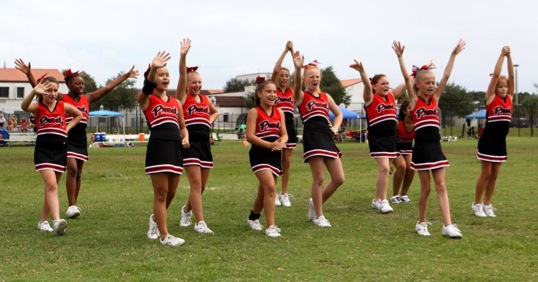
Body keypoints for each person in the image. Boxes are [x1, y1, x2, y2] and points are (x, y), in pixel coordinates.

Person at [15, 58, 139, 219]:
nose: (81, 86)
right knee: (72, 169)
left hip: (81, 138)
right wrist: (29, 74)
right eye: (78, 84)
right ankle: (71, 206)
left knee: (78, 172)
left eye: (82, 84)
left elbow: (108, 87)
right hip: (66, 137)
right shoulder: (61, 97)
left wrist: (126, 75)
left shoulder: (87, 98)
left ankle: (72, 204)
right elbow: (41, 89)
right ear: (69, 85)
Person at [393, 39, 465, 238]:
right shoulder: (414, 101)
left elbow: (447, 75)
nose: (432, 85)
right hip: (422, 148)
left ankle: (447, 225)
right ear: (419, 85)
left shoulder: (436, 99)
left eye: (433, 82)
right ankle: (421, 222)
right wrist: (400, 57)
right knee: (425, 188)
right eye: (428, 82)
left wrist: (453, 54)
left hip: (436, 146)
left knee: (441, 185)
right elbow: (407, 80)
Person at [138, 51, 190, 247]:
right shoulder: (146, 99)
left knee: (171, 193)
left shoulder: (176, 102)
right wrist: (153, 68)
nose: (165, 77)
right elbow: (147, 87)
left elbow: (183, 126)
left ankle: (155, 220)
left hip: (175, 148)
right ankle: (164, 235)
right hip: (158, 147)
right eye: (161, 74)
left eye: (167, 74)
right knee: (161, 192)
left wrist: (185, 137)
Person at [20, 76, 82, 235]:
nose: (53, 93)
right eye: (49, 90)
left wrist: (66, 128)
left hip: (60, 150)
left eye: (55, 90)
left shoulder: (63, 105)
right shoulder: (38, 107)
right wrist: (34, 90)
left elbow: (78, 115)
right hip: (43, 150)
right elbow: (24, 106)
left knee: (51, 188)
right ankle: (57, 221)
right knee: (52, 185)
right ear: (42, 91)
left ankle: (42, 221)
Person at [292, 52, 345, 228]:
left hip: (327, 136)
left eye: (317, 76)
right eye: (311, 77)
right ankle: (319, 216)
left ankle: (315, 203)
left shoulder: (326, 96)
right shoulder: (301, 95)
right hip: (312, 135)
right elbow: (296, 85)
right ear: (305, 79)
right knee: (319, 178)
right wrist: (298, 68)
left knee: (339, 178)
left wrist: (335, 128)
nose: (315, 79)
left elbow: (338, 114)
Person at [349, 60, 407, 213]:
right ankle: (383, 200)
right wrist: (362, 71)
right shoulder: (370, 98)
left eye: (388, 83)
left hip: (391, 139)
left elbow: (407, 82)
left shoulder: (391, 97)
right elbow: (367, 86)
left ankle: (377, 200)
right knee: (384, 168)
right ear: (374, 85)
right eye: (383, 83)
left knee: (397, 167)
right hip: (378, 138)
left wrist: (418, 72)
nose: (386, 86)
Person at [176, 39, 219, 234]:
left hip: (205, 144)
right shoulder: (183, 98)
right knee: (196, 183)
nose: (197, 85)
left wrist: (209, 121)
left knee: (201, 187)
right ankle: (200, 222)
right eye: (193, 82)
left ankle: (186, 210)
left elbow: (215, 112)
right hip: (189, 143)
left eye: (199, 82)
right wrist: (183, 56)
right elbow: (182, 79)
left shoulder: (205, 99)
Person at [473, 46, 514, 218]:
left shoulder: (510, 99)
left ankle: (487, 203)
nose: (504, 89)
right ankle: (476, 204)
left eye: (505, 87)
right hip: (488, 140)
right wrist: (501, 55)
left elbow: (511, 76)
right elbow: (497, 75)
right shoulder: (490, 98)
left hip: (500, 142)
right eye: (501, 87)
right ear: (495, 88)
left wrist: (510, 56)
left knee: (495, 174)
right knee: (486, 173)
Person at [245, 77, 288, 237]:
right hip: (259, 154)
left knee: (265, 191)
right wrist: (270, 145)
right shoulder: (254, 112)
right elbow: (249, 136)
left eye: (274, 92)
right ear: (259, 94)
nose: (272, 95)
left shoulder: (279, 112)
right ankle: (271, 226)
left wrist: (281, 142)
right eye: (268, 91)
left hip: (275, 155)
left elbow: (284, 134)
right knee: (270, 188)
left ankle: (253, 217)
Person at [270, 41, 298, 208]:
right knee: (274, 159)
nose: (284, 78)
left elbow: (298, 72)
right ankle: (272, 192)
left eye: (287, 76)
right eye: (282, 75)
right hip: (274, 124)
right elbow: (275, 69)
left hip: (289, 124)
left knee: (286, 161)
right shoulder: (273, 89)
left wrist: (293, 51)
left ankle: (284, 193)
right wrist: (285, 51)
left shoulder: (292, 90)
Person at [391, 100, 415, 203]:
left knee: (411, 167)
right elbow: (390, 140)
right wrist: (389, 160)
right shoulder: (397, 124)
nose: (413, 111)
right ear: (404, 111)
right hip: (395, 148)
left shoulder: (417, 124)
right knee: (402, 166)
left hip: (408, 149)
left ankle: (403, 194)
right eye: (410, 108)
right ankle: (394, 195)